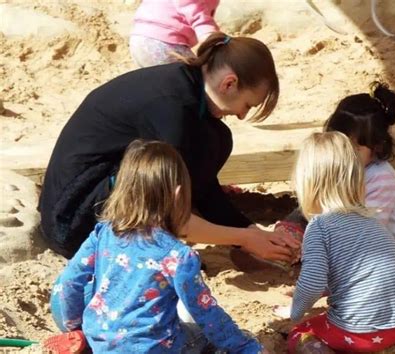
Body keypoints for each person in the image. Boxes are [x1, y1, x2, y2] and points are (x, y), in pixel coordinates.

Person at [39, 32, 299, 262]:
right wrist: (243, 239)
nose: (243, 116)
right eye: (248, 105)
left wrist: (252, 231)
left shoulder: (189, 90)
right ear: (229, 83)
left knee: (217, 138)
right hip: (73, 221)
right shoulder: (171, 106)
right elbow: (169, 211)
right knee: (174, 175)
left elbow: (204, 187)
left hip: (99, 189)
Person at [44, 140, 267, 353]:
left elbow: (70, 281)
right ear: (178, 196)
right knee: (204, 336)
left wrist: (75, 328)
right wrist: (244, 345)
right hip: (153, 348)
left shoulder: (104, 232)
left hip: (102, 340)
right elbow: (205, 311)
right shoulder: (177, 256)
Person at [273, 82, 395, 294]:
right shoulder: (337, 165)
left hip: (383, 241)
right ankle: (278, 252)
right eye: (339, 146)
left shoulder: (381, 178)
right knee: (300, 215)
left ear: (377, 147)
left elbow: (366, 233)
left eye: (354, 148)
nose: (344, 155)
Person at [284, 131, 395, 353]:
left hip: (359, 332)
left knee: (301, 332)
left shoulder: (319, 227)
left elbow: (312, 282)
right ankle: (390, 348)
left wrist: (295, 311)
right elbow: (355, 274)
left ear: (307, 184)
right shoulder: (374, 222)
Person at [130, 0, 220, 67]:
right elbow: (193, 9)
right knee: (196, 79)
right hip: (162, 42)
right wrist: (210, 35)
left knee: (164, 86)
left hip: (140, 38)